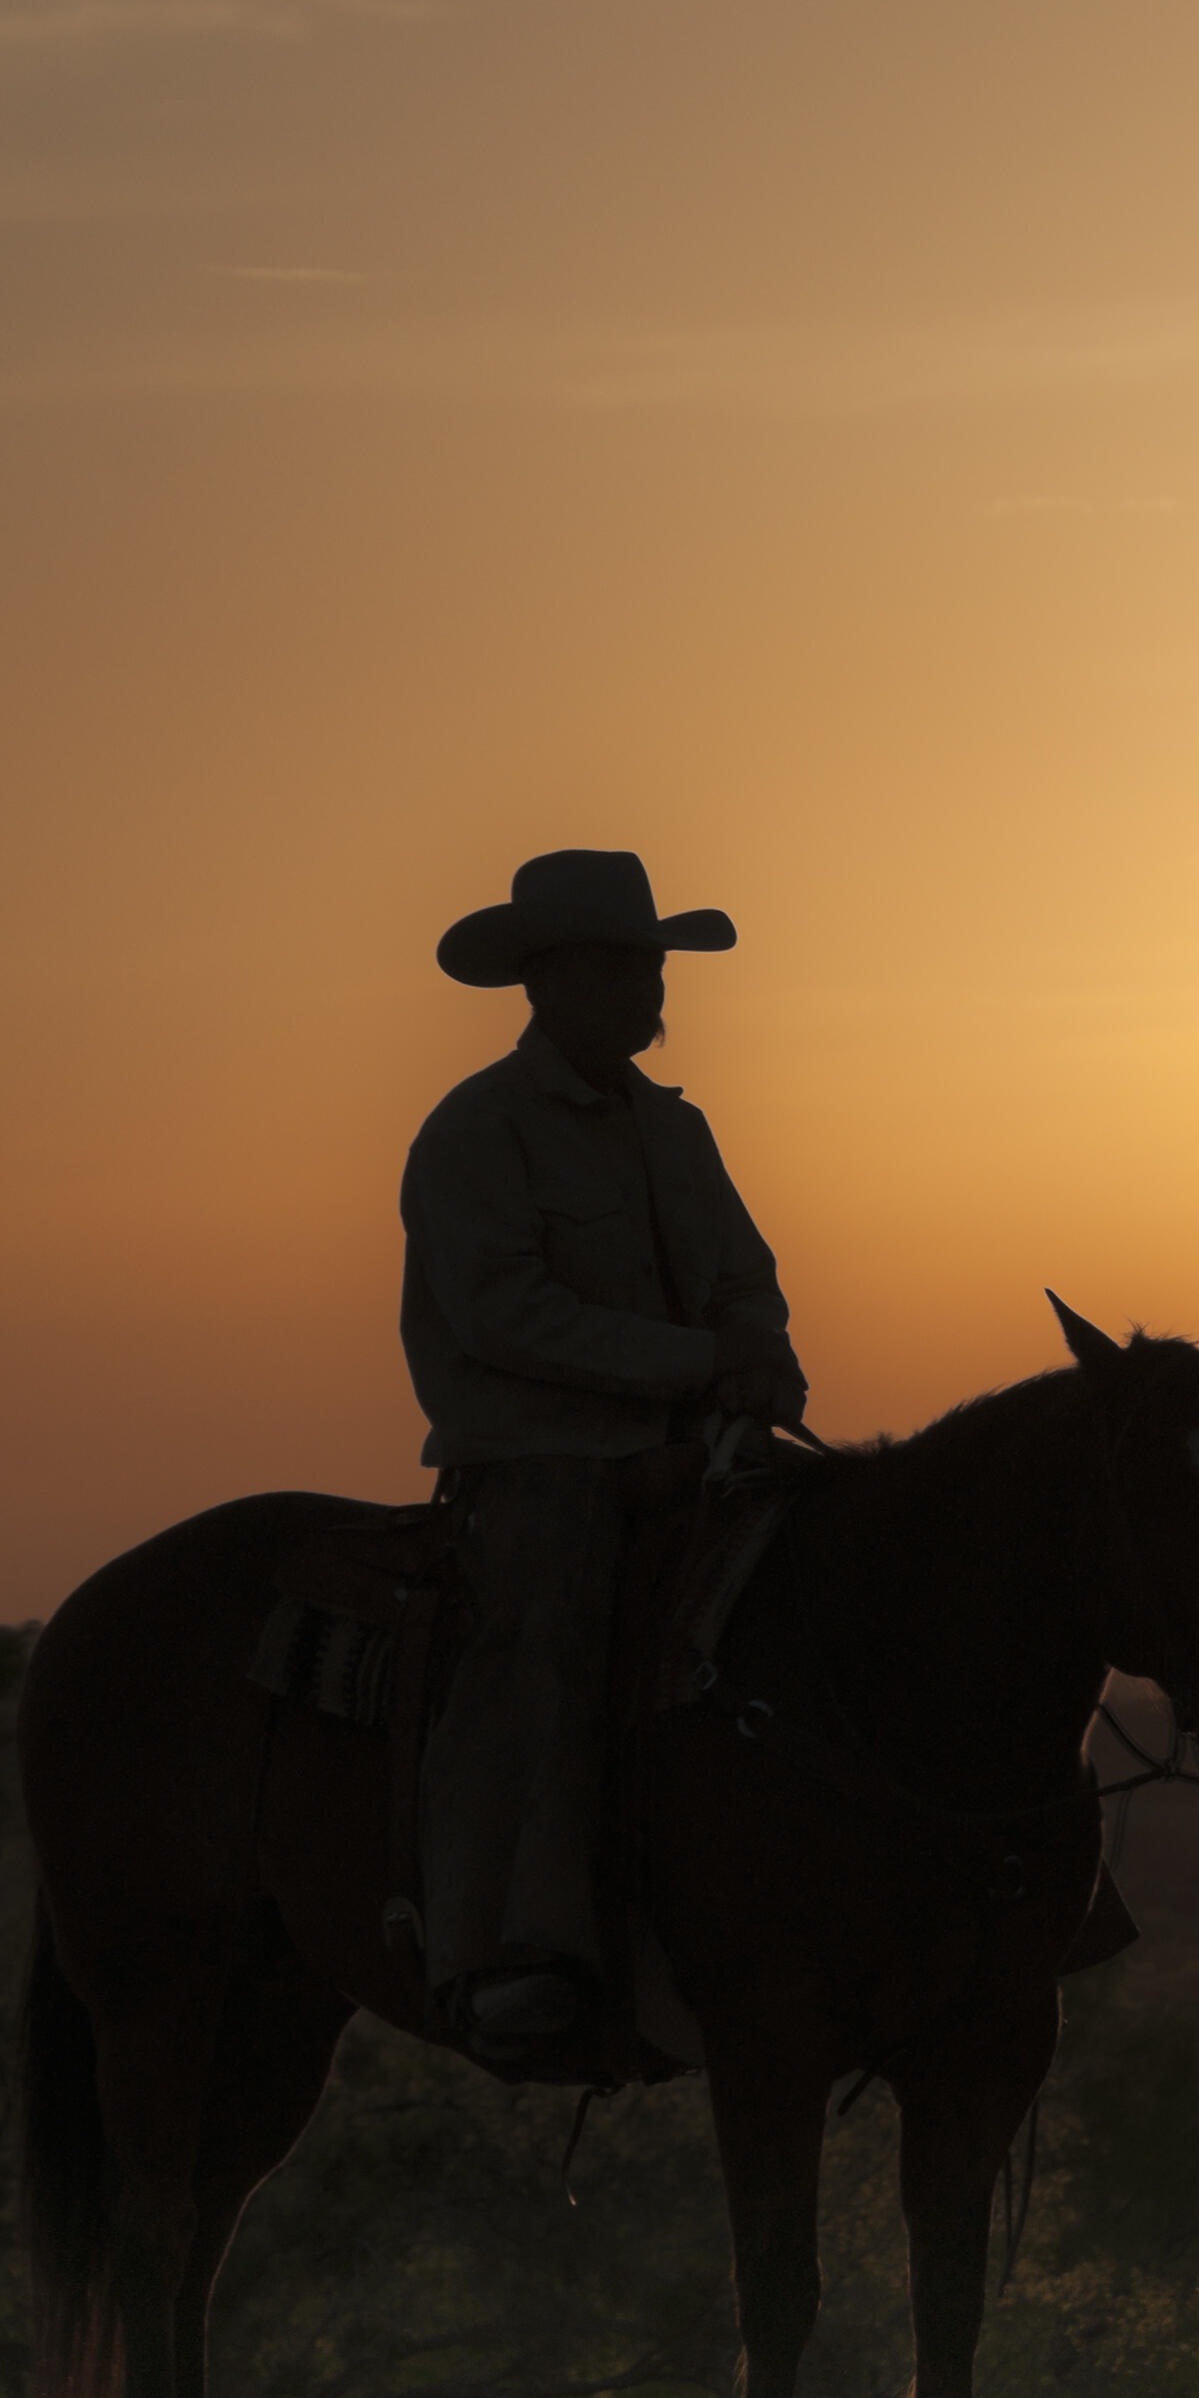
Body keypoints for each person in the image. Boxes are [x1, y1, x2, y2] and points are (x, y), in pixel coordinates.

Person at [398, 848, 802, 2076]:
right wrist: (697, 1363)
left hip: (700, 1449)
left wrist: (763, 1367)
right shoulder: (476, 1132)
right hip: (539, 1462)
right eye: (628, 966)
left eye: (653, 964)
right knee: (552, 1624)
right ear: (555, 980)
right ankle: (519, 1944)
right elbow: (502, 1315)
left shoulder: (680, 1133)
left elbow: (747, 1278)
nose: (652, 988)